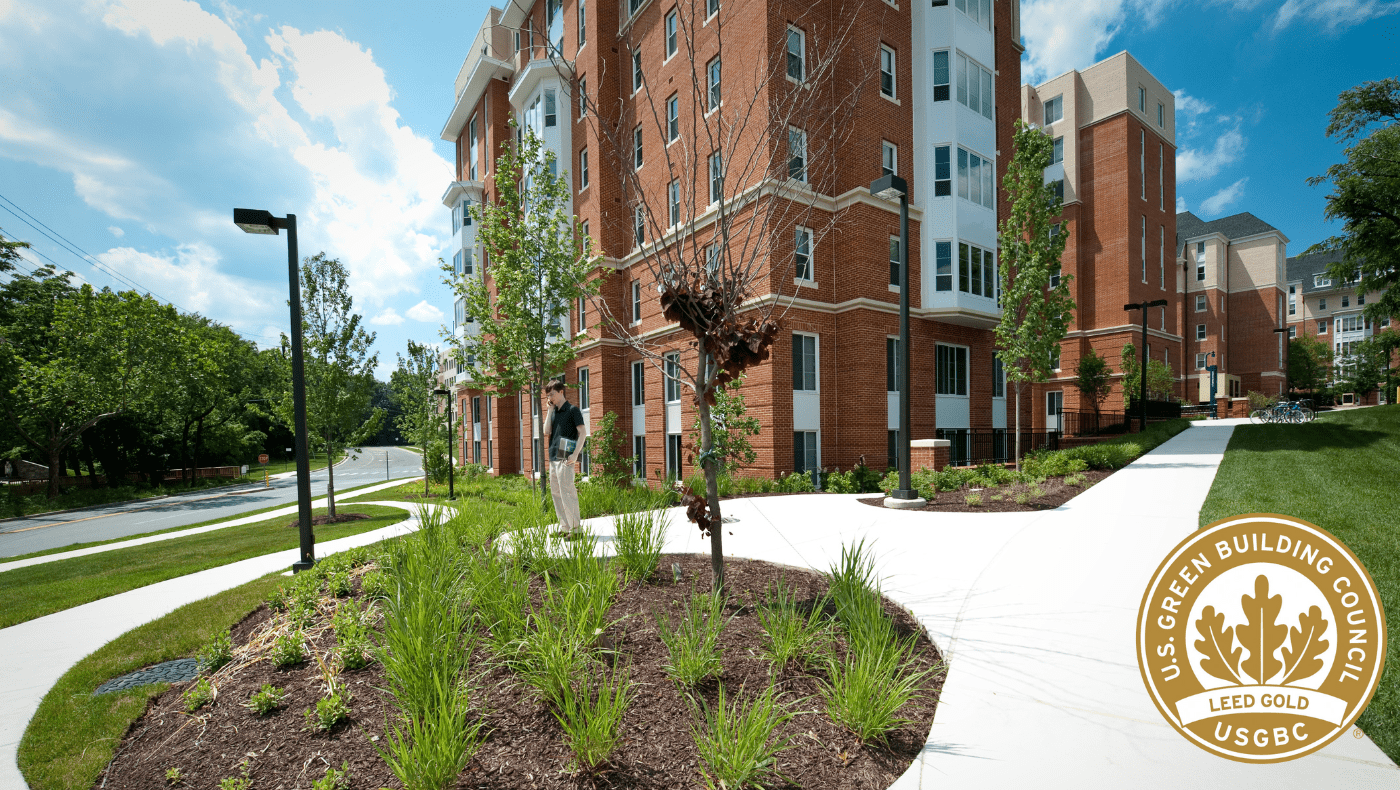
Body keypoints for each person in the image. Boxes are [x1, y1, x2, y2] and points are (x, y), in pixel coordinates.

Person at [543, 380, 588, 534]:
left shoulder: (572, 410)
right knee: (556, 493)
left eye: (552, 394)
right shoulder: (554, 412)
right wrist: (549, 411)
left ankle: (576, 530)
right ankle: (565, 527)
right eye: (548, 395)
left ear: (561, 392)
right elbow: (546, 431)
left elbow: (583, 433)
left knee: (567, 492)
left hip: (566, 454)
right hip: (554, 455)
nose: (550, 398)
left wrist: (575, 454)